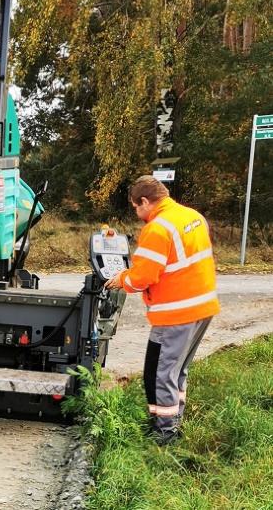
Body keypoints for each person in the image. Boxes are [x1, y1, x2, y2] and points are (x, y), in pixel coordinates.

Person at [105, 175, 220, 445]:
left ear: (145, 201)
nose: (137, 212)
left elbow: (143, 276)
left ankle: (164, 434)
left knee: (160, 373)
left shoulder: (157, 229)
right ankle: (173, 421)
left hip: (176, 313)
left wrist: (121, 280)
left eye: (135, 206)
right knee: (178, 370)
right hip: (202, 307)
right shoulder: (192, 216)